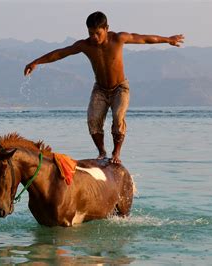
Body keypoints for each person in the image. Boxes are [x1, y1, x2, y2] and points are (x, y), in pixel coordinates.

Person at [24, 11, 184, 164]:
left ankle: (116, 153)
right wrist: (36, 62)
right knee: (93, 120)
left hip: (120, 88)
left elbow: (144, 39)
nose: (94, 37)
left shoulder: (118, 38)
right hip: (100, 89)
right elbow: (60, 53)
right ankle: (102, 152)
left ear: (106, 29)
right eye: (90, 33)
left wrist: (168, 39)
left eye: (97, 33)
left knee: (118, 117)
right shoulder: (85, 45)